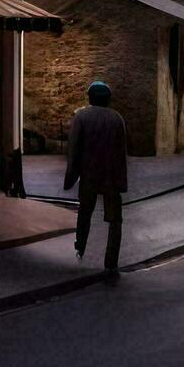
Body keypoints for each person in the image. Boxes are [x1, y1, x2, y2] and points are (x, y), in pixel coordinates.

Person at [65, 80, 129, 272]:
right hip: (110, 176)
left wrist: (71, 177)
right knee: (115, 220)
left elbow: (74, 149)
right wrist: (121, 181)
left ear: (90, 97)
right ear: (108, 99)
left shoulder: (81, 117)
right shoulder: (117, 118)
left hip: (89, 175)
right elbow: (121, 152)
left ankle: (81, 246)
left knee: (85, 213)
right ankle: (111, 261)